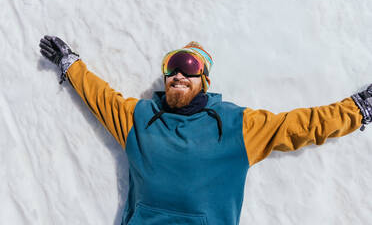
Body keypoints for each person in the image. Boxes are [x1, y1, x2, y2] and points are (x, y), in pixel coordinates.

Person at [39, 35, 371, 225]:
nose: (178, 75)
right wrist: (71, 64)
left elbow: (302, 125)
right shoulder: (138, 118)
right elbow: (101, 97)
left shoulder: (236, 125)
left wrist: (356, 109)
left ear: (205, 80)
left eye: (190, 68)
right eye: (172, 68)